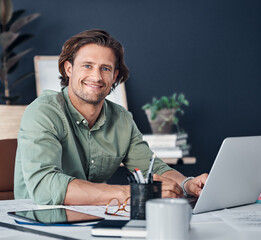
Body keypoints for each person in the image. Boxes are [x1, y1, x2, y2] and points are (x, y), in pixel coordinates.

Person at [14, 29, 208, 205]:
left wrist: (187, 184)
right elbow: (44, 187)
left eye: (105, 68)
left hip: (90, 217)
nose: (97, 77)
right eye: (87, 66)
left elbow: (152, 167)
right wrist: (130, 193)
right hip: (35, 220)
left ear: (115, 76)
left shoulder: (122, 119)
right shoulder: (43, 112)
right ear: (69, 69)